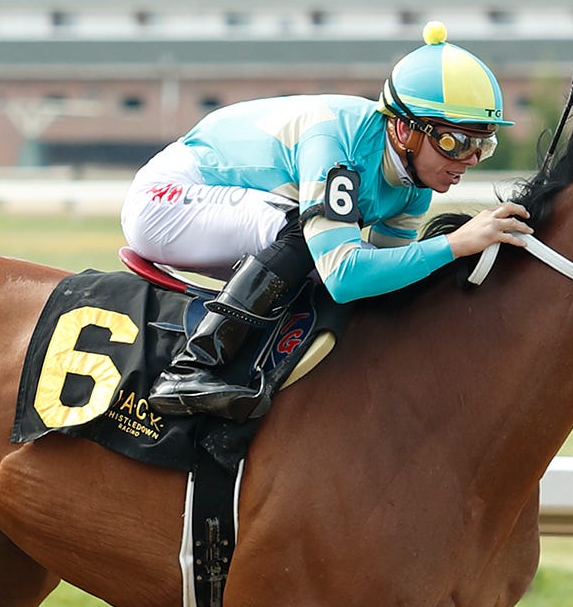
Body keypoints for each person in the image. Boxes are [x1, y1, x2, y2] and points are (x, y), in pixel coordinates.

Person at [121, 22, 536, 421]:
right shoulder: (336, 143)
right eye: (455, 141)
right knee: (306, 236)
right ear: (403, 129)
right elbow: (345, 274)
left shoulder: (415, 184)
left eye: (483, 145)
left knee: (340, 261)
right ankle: (191, 368)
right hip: (165, 202)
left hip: (227, 210)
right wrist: (456, 244)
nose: (468, 159)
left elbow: (382, 276)